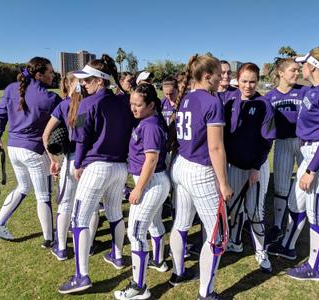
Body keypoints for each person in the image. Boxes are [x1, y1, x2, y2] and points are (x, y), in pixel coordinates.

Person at [269, 41, 319, 281]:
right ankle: (288, 246)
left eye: (303, 65)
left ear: (313, 67)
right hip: (311, 154)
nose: (300, 69)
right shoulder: (315, 90)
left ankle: (315, 267)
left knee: (317, 214)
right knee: (295, 202)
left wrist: (312, 170)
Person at [58, 55, 133, 294]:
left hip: (96, 166)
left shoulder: (86, 104)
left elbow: (80, 139)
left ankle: (82, 276)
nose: (83, 84)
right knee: (113, 213)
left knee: (79, 219)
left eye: (88, 80)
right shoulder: (124, 101)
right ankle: (118, 255)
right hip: (120, 166)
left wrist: (77, 164)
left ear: (100, 81)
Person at [169, 54, 233, 300]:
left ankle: (178, 273)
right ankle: (206, 294)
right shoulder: (211, 101)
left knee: (182, 223)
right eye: (219, 74)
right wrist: (224, 183)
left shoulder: (185, 97)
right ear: (207, 76)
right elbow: (215, 148)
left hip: (182, 165)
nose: (222, 79)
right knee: (217, 235)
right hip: (201, 171)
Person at [0, 57, 61, 248]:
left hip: (14, 148)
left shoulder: (11, 88)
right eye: (50, 72)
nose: (53, 75)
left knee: (22, 187)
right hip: (34, 150)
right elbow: (71, 116)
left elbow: (1, 113)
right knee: (43, 195)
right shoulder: (50, 98)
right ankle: (49, 238)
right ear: (39, 74)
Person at [114, 83, 170, 300]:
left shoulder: (151, 126)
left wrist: (138, 188)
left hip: (152, 183)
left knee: (136, 233)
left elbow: (152, 159)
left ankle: (139, 287)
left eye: (138, 105)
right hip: (152, 182)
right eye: (131, 104)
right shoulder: (147, 121)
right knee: (154, 224)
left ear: (151, 105)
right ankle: (159, 261)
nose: (133, 108)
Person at [224, 63, 276, 273]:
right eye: (244, 81)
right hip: (235, 166)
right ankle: (235, 243)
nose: (248, 85)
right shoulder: (230, 101)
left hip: (256, 167)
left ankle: (261, 251)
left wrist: (256, 166)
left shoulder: (264, 104)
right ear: (238, 80)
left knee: (255, 212)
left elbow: (267, 141)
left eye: (252, 81)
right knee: (234, 208)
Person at [42, 72, 99, 261]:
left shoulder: (64, 105)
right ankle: (88, 245)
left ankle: (61, 248)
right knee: (91, 206)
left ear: (68, 85)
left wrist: (53, 160)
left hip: (73, 160)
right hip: (93, 161)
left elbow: (45, 136)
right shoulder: (95, 103)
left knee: (66, 204)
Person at [264, 58, 309, 244]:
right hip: (282, 143)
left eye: (298, 70)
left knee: (305, 185)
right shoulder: (269, 97)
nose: (297, 73)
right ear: (281, 73)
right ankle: (277, 226)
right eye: (293, 70)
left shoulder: (305, 91)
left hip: (304, 143)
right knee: (281, 187)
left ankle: (299, 222)